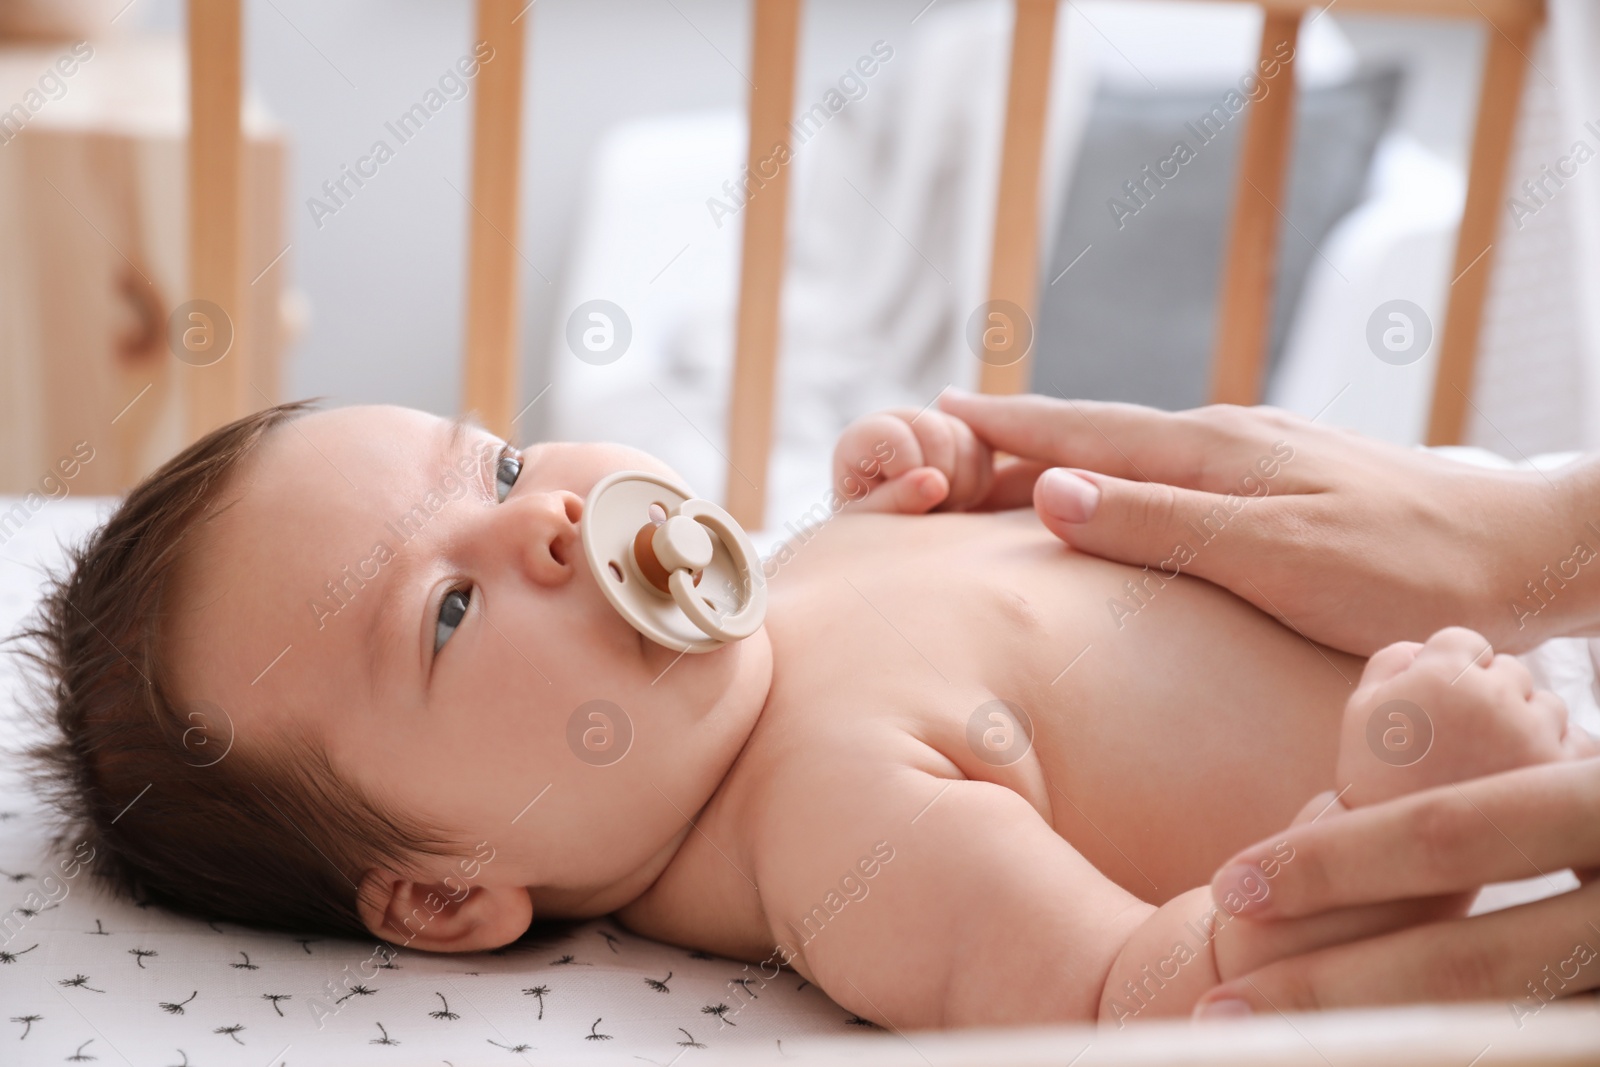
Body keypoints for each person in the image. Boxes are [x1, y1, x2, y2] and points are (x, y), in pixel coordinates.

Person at [21, 401, 1589, 1029]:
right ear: (445, 892)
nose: (548, 521)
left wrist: (940, 504)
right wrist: (1395, 822)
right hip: (1494, 801)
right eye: (447, 609)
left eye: (492, 465)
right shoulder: (837, 824)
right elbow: (1140, 1000)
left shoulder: (788, 581)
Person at [939, 387, 1600, 1016]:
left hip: (1507, 543)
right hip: (1521, 834)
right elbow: (1113, 1002)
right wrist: (1387, 816)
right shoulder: (851, 770)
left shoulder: (863, 558)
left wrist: (938, 472)